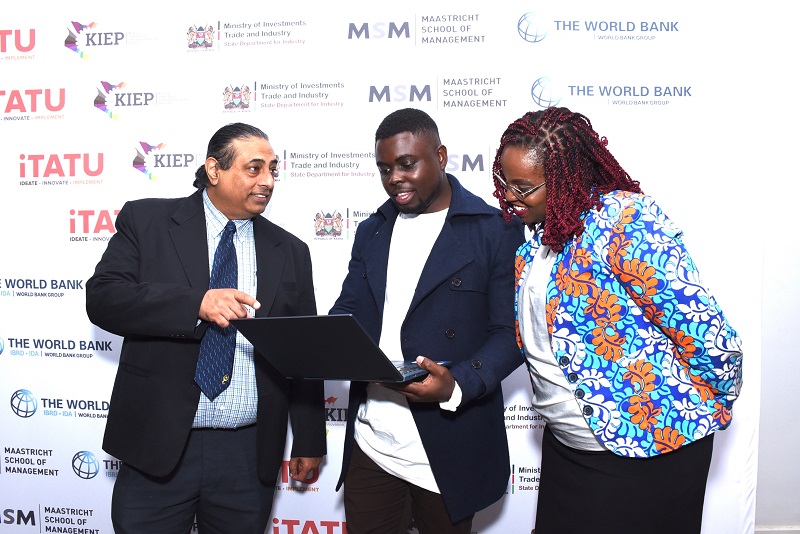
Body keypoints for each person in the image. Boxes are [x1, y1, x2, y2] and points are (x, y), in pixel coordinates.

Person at [490, 106, 744, 534]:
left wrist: (710, 402)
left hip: (647, 450)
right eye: (504, 181)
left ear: (566, 179)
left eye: (523, 187)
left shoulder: (623, 221)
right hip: (568, 447)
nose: (510, 197)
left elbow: (702, 326)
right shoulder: (535, 244)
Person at [86, 122, 326, 533]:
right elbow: (104, 298)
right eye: (254, 169)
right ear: (214, 169)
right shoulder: (147, 220)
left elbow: (302, 352)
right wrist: (195, 304)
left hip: (247, 455)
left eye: (272, 170)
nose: (268, 181)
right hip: (158, 445)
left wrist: (309, 439)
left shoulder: (291, 251)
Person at [329, 108, 525, 533]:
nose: (394, 178)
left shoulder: (495, 229)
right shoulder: (372, 230)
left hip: (450, 443)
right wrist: (325, 342)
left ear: (440, 156)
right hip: (373, 443)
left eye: (407, 164)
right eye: (385, 169)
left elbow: (510, 334)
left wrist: (456, 384)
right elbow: (348, 310)